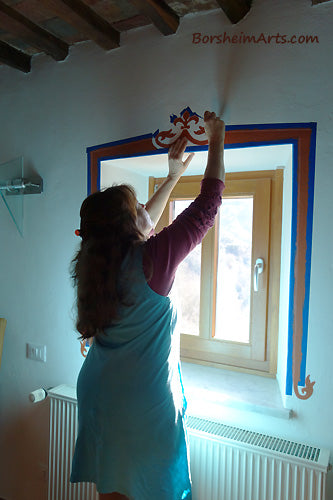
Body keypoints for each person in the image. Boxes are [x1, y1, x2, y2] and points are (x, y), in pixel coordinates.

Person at [70, 111, 225, 500]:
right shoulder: (151, 261)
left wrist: (172, 175)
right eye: (138, 205)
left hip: (100, 394)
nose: (146, 211)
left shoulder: (96, 263)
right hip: (139, 405)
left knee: (114, 489)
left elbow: (142, 224)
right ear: (128, 227)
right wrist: (218, 136)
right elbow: (207, 205)